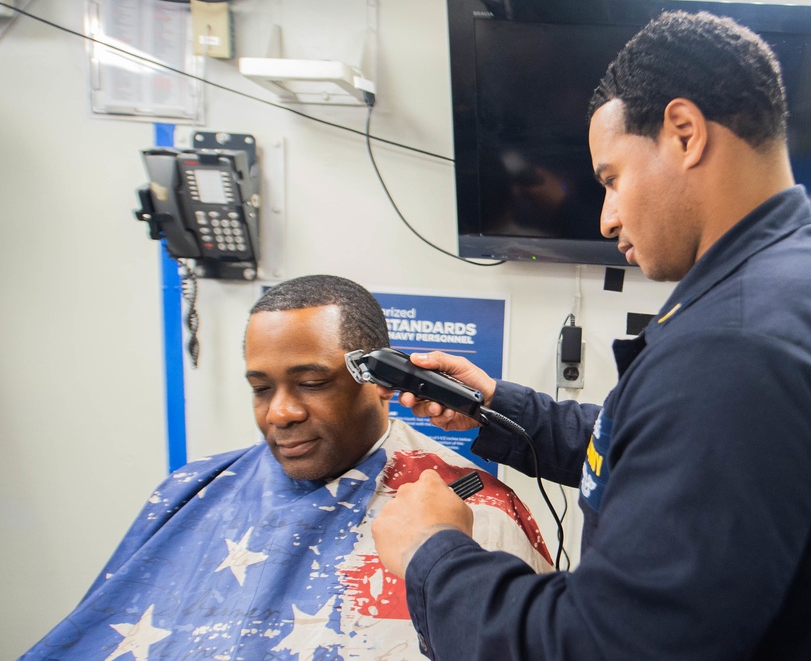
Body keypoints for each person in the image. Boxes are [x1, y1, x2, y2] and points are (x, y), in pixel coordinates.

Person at [372, 10, 811, 661]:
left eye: (612, 178)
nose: (607, 216)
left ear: (683, 133)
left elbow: (609, 646)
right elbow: (667, 450)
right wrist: (497, 408)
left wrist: (435, 552)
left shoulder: (740, 342)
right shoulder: (780, 285)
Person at [21, 275, 551, 660]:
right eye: (260, 388)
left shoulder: (470, 509)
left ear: (383, 380)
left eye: (313, 383)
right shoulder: (193, 489)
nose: (280, 412)